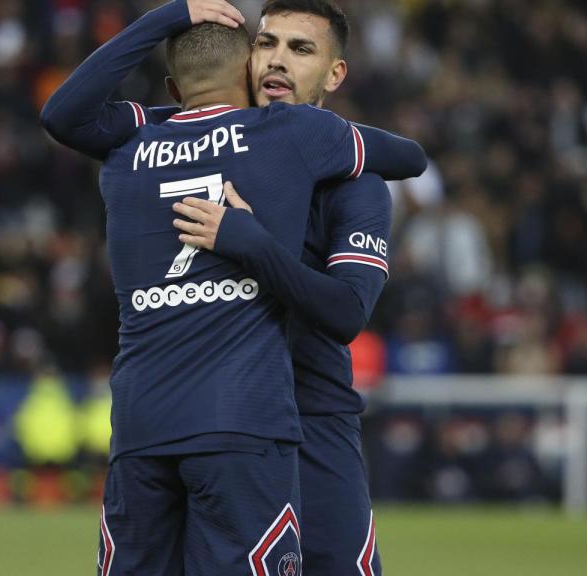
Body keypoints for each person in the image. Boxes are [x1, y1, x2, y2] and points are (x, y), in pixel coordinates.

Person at [40, 2, 424, 574]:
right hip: (225, 420)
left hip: (310, 423)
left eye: (300, 49)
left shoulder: (357, 184)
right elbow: (67, 116)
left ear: (334, 74)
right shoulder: (182, 133)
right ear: (244, 59)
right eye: (265, 43)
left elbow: (346, 309)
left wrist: (253, 244)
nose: (276, 61)